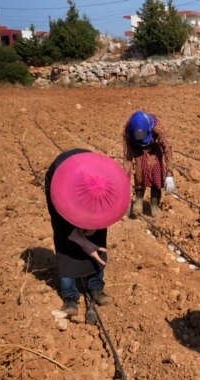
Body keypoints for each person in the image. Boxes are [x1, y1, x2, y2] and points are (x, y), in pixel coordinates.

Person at [45, 149, 130, 319]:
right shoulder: (61, 188)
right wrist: (83, 241)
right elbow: (69, 233)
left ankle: (96, 286)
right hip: (62, 181)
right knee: (65, 242)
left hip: (95, 181)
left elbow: (112, 207)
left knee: (97, 237)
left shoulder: (109, 181)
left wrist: (94, 227)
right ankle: (69, 295)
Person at [123, 111, 174, 218]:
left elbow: (167, 147)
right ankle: (139, 201)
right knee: (140, 172)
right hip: (137, 149)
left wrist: (169, 174)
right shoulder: (128, 131)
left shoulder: (155, 125)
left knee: (156, 172)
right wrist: (126, 185)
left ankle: (154, 205)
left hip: (153, 148)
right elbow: (127, 159)